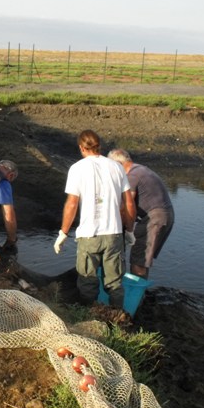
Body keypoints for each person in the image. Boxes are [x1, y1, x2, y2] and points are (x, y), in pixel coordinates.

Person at [53, 130, 136, 308]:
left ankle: (88, 318)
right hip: (113, 234)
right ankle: (117, 320)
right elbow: (129, 203)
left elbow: (72, 204)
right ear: (99, 146)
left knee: (87, 282)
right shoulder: (117, 167)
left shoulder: (77, 168)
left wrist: (63, 233)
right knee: (115, 283)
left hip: (89, 235)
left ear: (81, 147)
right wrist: (129, 230)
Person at [107, 149, 174, 278]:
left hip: (154, 218)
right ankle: (139, 291)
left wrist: (119, 231)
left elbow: (127, 205)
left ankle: (136, 294)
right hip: (164, 216)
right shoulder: (141, 169)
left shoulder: (132, 176)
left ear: (118, 164)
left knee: (139, 260)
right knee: (142, 257)